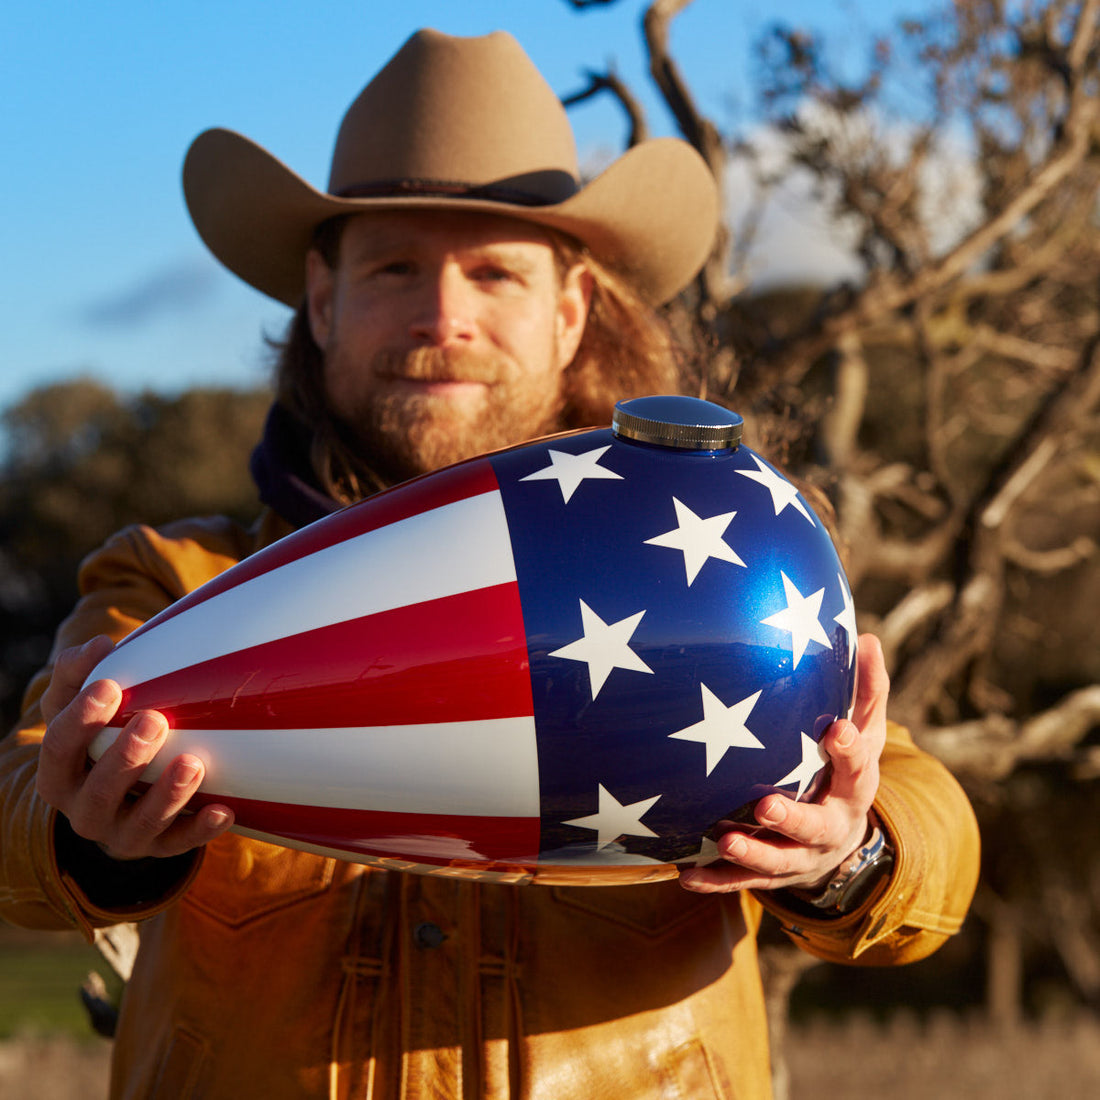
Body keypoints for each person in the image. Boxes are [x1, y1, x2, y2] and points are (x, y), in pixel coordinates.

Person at [0, 28, 980, 1100]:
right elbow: (19, 830)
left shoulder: (720, 577)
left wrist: (846, 852)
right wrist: (94, 833)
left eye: (492, 272)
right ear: (321, 303)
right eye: (394, 267)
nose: (442, 317)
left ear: (568, 314)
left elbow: (926, 836)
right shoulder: (174, 583)